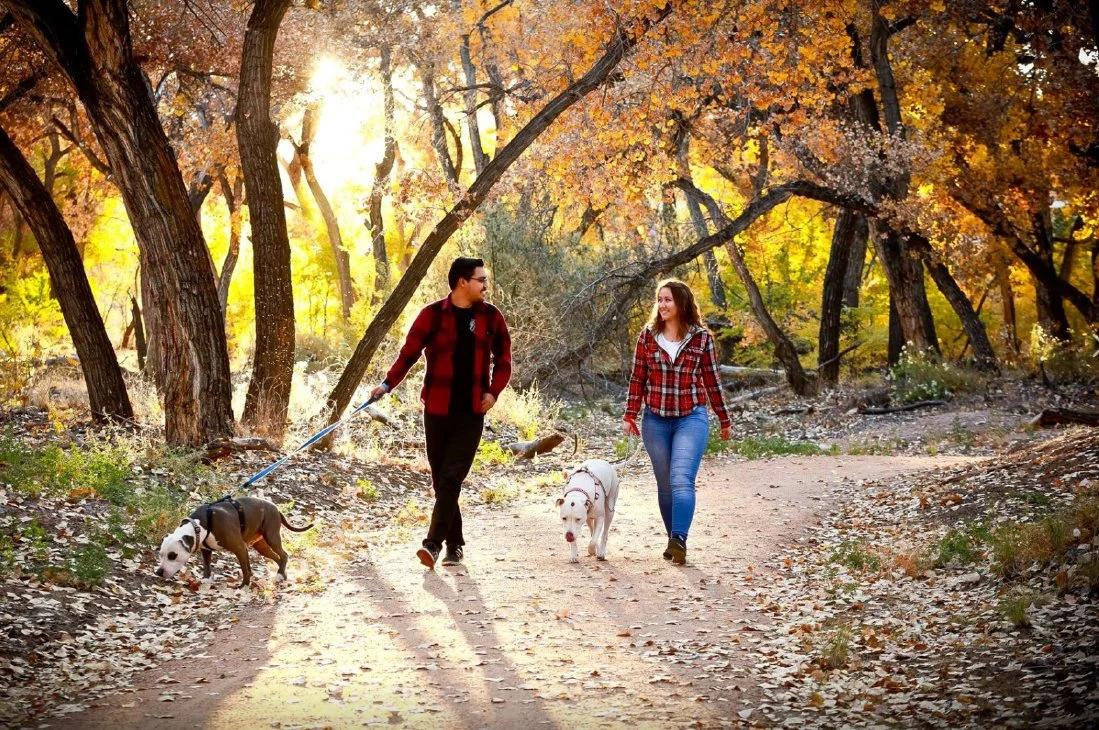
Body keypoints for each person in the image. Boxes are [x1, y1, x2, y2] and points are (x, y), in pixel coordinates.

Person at [371, 257, 511, 569]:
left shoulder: (491, 317)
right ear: (463, 282)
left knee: (451, 476)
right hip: (436, 409)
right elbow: (407, 354)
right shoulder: (432, 315)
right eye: (481, 280)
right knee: (442, 482)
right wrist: (386, 385)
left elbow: (504, 360)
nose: (486, 286)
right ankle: (455, 544)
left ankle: (432, 544)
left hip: (471, 411)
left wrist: (493, 392)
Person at [623, 279, 731, 565]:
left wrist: (723, 418)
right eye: (659, 299)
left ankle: (679, 538)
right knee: (665, 484)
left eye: (668, 299)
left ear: (682, 303)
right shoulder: (647, 336)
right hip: (655, 421)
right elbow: (638, 378)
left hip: (690, 417)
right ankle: (674, 539)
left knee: (681, 479)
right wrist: (630, 414)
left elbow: (712, 380)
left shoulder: (701, 338)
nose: (662, 305)